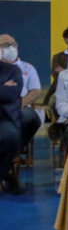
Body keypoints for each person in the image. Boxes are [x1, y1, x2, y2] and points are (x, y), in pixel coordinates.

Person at [0, 34, 42, 150]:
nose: (11, 48)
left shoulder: (28, 68)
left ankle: (16, 149)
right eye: (6, 45)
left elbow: (35, 91)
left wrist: (18, 105)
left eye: (14, 44)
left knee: (33, 118)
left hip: (21, 107)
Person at [0, 60, 23, 194]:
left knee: (12, 136)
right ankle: (4, 175)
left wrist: (5, 89)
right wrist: (2, 86)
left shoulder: (12, 70)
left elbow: (12, 94)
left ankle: (2, 173)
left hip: (3, 118)